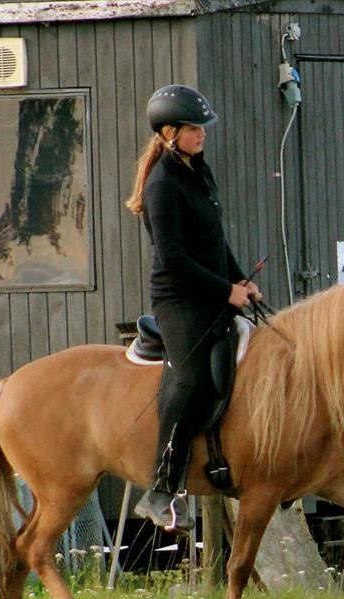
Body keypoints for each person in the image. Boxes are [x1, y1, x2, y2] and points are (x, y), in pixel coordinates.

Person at [125, 84, 261, 532]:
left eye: (202, 127)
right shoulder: (162, 185)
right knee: (193, 378)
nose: (202, 134)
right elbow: (175, 260)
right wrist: (226, 292)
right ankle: (161, 490)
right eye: (193, 128)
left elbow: (216, 240)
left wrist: (240, 279)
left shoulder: (199, 171)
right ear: (169, 133)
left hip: (214, 290)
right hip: (179, 299)